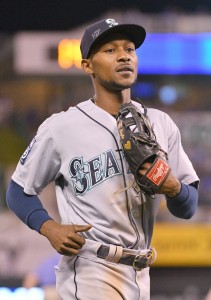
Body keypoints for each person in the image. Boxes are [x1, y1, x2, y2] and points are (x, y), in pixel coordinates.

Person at [6, 18, 199, 300]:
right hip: (90, 267)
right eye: (109, 50)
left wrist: (174, 188)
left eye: (129, 49)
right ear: (87, 66)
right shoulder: (62, 127)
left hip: (141, 270)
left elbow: (188, 207)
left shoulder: (161, 124)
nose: (123, 55)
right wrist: (49, 228)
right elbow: (18, 191)